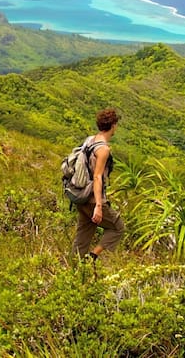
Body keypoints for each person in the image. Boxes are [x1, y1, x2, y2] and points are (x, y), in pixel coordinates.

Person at [73, 108, 123, 261]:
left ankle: (74, 270)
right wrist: (99, 206)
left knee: (82, 237)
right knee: (118, 228)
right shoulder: (103, 149)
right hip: (93, 198)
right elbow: (97, 177)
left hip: (80, 195)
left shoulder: (90, 140)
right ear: (113, 125)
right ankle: (93, 256)